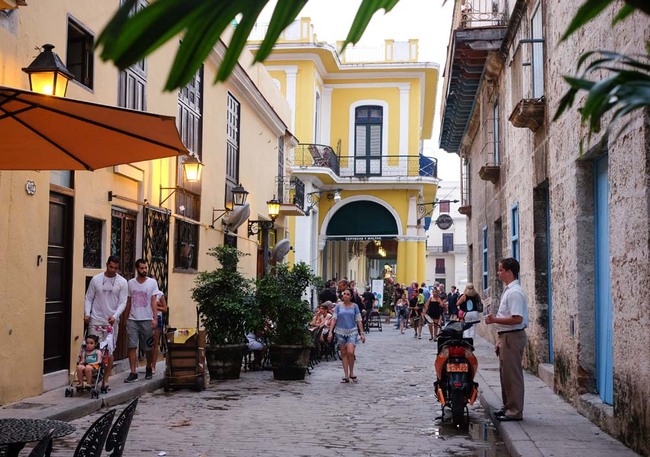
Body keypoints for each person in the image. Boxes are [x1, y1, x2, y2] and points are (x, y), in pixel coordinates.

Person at [485, 258, 529, 422]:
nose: (498, 273)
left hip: (512, 336)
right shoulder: (509, 290)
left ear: (509, 272)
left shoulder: (515, 292)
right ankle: (508, 407)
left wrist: (495, 320)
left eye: (501, 270)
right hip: (506, 336)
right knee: (505, 375)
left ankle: (515, 410)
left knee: (513, 375)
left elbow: (517, 318)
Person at [84, 255, 128, 389]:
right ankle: (91, 378)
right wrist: (87, 313)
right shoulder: (96, 279)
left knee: (109, 352)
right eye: (111, 267)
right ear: (106, 264)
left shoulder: (122, 282)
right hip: (96, 319)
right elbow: (89, 298)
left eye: (116, 268)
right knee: (91, 349)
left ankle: (106, 379)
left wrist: (115, 316)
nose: (113, 270)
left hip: (111, 322)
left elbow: (123, 302)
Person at [124, 259, 158, 383]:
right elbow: (128, 301)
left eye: (145, 268)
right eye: (142, 268)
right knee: (132, 346)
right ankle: (133, 372)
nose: (144, 270)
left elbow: (154, 300)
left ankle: (149, 366)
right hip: (133, 319)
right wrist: (126, 318)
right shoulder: (131, 283)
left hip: (147, 319)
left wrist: (155, 318)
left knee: (148, 347)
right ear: (137, 269)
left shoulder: (152, 283)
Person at [327, 288, 365, 383]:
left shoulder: (355, 306)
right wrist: (330, 332)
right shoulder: (338, 307)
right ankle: (346, 375)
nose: (345, 296)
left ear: (351, 296)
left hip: (352, 331)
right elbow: (334, 319)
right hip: (340, 332)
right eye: (344, 294)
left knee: (350, 352)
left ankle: (351, 372)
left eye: (348, 294)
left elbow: (358, 320)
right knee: (344, 354)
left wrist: (362, 333)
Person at [150, 287, 168, 375]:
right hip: (146, 318)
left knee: (155, 342)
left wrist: (156, 306)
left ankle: (153, 366)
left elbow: (165, 309)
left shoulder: (160, 294)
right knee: (146, 343)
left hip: (158, 318)